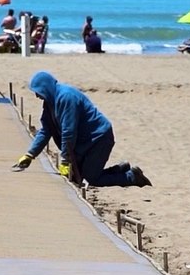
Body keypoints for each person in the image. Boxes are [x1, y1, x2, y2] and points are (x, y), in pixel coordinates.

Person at [12, 71, 151, 188]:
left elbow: (68, 132)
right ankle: (120, 169)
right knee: (76, 175)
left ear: (46, 88)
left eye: (38, 92)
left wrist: (65, 160)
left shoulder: (66, 97)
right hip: (84, 142)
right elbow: (46, 130)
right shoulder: (49, 104)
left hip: (99, 138)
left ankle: (131, 177)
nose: (37, 96)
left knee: (92, 179)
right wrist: (30, 154)